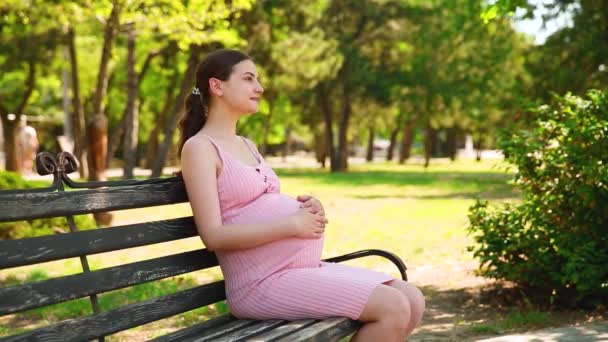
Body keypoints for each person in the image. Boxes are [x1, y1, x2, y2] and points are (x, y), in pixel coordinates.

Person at [179, 49, 425, 341]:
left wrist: (306, 208)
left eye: (257, 79)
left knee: (412, 298)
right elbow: (213, 235)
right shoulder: (200, 148)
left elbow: (262, 202)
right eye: (248, 79)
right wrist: (292, 225)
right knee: (393, 307)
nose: (259, 87)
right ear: (217, 86)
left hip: (298, 271)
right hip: (260, 284)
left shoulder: (246, 144)